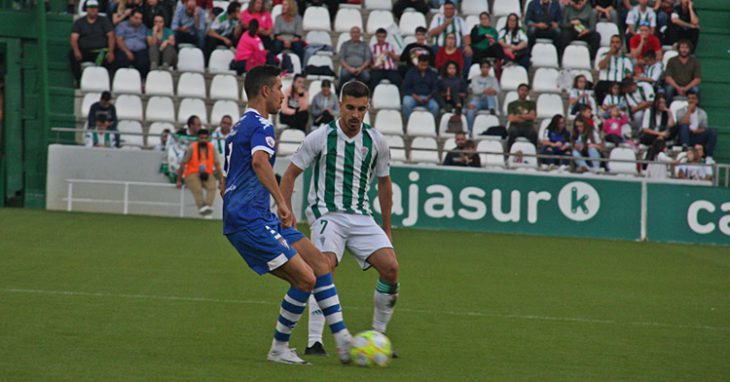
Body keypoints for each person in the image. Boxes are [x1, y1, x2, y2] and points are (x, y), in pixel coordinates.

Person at [222, 65, 353, 364]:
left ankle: (342, 337)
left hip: (255, 217)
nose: (283, 95)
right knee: (305, 280)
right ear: (265, 91)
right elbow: (259, 163)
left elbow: (228, 178)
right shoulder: (261, 125)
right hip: (251, 220)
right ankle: (279, 348)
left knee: (320, 263)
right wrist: (281, 201)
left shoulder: (238, 127)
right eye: (280, 88)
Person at [279, 80, 399, 359]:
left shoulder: (377, 141)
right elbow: (290, 175)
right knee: (324, 267)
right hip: (326, 213)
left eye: (361, 109)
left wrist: (387, 229)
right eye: (350, 108)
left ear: (367, 108)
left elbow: (384, 184)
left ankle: (378, 335)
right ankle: (314, 340)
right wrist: (286, 213)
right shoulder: (320, 136)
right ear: (340, 105)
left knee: (391, 268)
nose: (355, 115)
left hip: (361, 216)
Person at [176, 129, 222, 216]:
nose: (203, 140)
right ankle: (202, 208)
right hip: (192, 173)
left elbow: (217, 165)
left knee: (212, 187)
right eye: (201, 138)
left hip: (207, 173)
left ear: (208, 138)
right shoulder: (192, 147)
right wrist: (179, 180)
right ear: (197, 138)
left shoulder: (212, 148)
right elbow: (183, 163)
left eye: (205, 138)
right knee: (197, 189)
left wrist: (220, 181)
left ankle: (206, 206)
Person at [69, 0, 115, 82]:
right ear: (86, 9)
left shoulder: (104, 21)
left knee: (111, 58)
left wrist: (111, 51)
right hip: (84, 51)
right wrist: (76, 50)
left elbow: (111, 35)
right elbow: (74, 37)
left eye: (95, 8)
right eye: (90, 8)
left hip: (100, 51)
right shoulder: (79, 22)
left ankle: (107, 82)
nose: (93, 10)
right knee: (72, 55)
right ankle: (78, 80)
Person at [428, 0, 472, 67]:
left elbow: (466, 35)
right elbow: (431, 34)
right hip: (440, 47)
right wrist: (444, 25)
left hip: (457, 48)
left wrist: (467, 45)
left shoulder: (459, 20)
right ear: (444, 10)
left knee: (468, 52)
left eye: (451, 9)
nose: (449, 11)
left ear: (454, 10)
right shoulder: (437, 18)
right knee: (432, 50)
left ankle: (463, 75)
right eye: (447, 9)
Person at [675, 91, 716, 160]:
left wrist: (696, 131)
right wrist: (689, 110)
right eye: (689, 98)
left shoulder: (702, 113)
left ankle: (709, 157)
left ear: (697, 100)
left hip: (696, 135)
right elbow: (682, 123)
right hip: (684, 136)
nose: (691, 100)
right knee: (684, 126)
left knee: (712, 131)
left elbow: (704, 128)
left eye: (693, 98)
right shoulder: (680, 111)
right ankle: (686, 151)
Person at [594, 35, 633, 104]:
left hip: (620, 83)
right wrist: (610, 54)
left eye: (617, 42)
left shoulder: (626, 59)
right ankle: (602, 106)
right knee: (598, 87)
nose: (615, 44)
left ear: (621, 44)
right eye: (613, 42)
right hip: (606, 82)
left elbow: (628, 73)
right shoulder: (604, 56)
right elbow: (601, 66)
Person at [402, 55, 439, 120]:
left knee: (435, 107)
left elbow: (435, 88)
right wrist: (415, 96)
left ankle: (429, 123)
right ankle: (408, 122)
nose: (424, 67)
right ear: (418, 63)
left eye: (426, 65)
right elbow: (406, 87)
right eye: (422, 65)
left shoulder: (432, 73)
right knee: (406, 104)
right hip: (412, 96)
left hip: (427, 97)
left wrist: (429, 97)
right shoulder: (411, 72)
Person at [466, 60, 499, 130]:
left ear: (489, 69)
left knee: (490, 95)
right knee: (470, 110)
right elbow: (475, 91)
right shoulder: (475, 78)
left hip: (489, 100)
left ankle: (491, 109)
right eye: (483, 67)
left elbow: (497, 90)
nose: (485, 69)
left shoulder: (493, 79)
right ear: (480, 69)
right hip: (477, 100)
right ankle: (470, 130)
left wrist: (488, 91)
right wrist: (486, 90)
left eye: (487, 67)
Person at [507, 83, 537, 150]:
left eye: (526, 90)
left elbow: (532, 116)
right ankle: (509, 153)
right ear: (518, 91)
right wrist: (526, 117)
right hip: (515, 126)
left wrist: (519, 116)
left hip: (528, 127)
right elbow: (511, 119)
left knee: (534, 134)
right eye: (522, 90)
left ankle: (534, 154)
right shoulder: (511, 104)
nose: (524, 92)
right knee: (511, 133)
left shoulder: (531, 104)